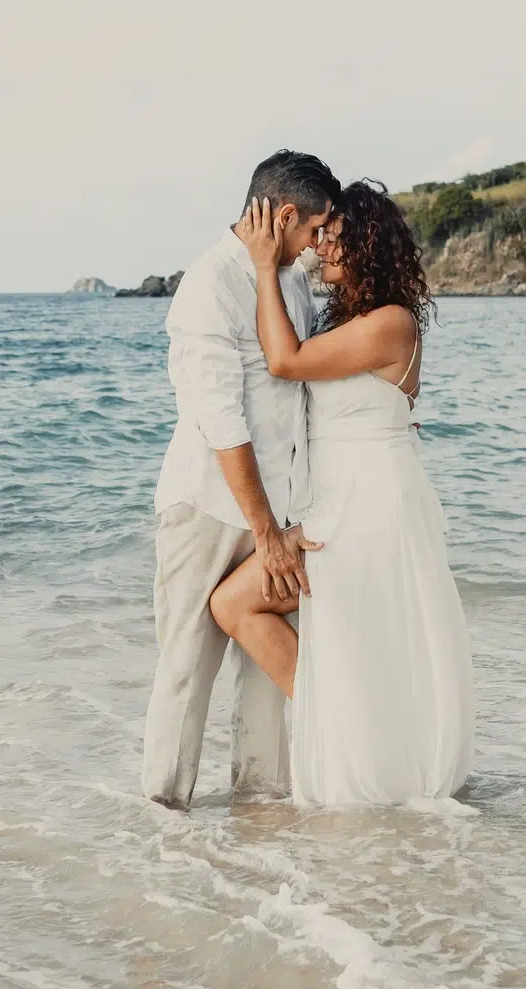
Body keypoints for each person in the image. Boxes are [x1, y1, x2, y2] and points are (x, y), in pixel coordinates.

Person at [210, 181, 474, 805]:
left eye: (335, 237)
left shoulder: (391, 323)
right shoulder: (356, 320)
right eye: (321, 234)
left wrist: (262, 266)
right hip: (344, 500)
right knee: (310, 625)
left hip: (369, 505)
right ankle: (358, 737)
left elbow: (284, 361)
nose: (322, 246)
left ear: (369, 245)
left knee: (241, 604)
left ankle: (356, 741)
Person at [141, 150, 340, 810]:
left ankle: (261, 813)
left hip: (280, 511)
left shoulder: (288, 279)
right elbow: (221, 423)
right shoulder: (209, 285)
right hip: (208, 509)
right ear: (284, 217)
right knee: (186, 668)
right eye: (313, 228)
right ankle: (163, 818)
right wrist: (266, 532)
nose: (316, 244)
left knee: (262, 674)